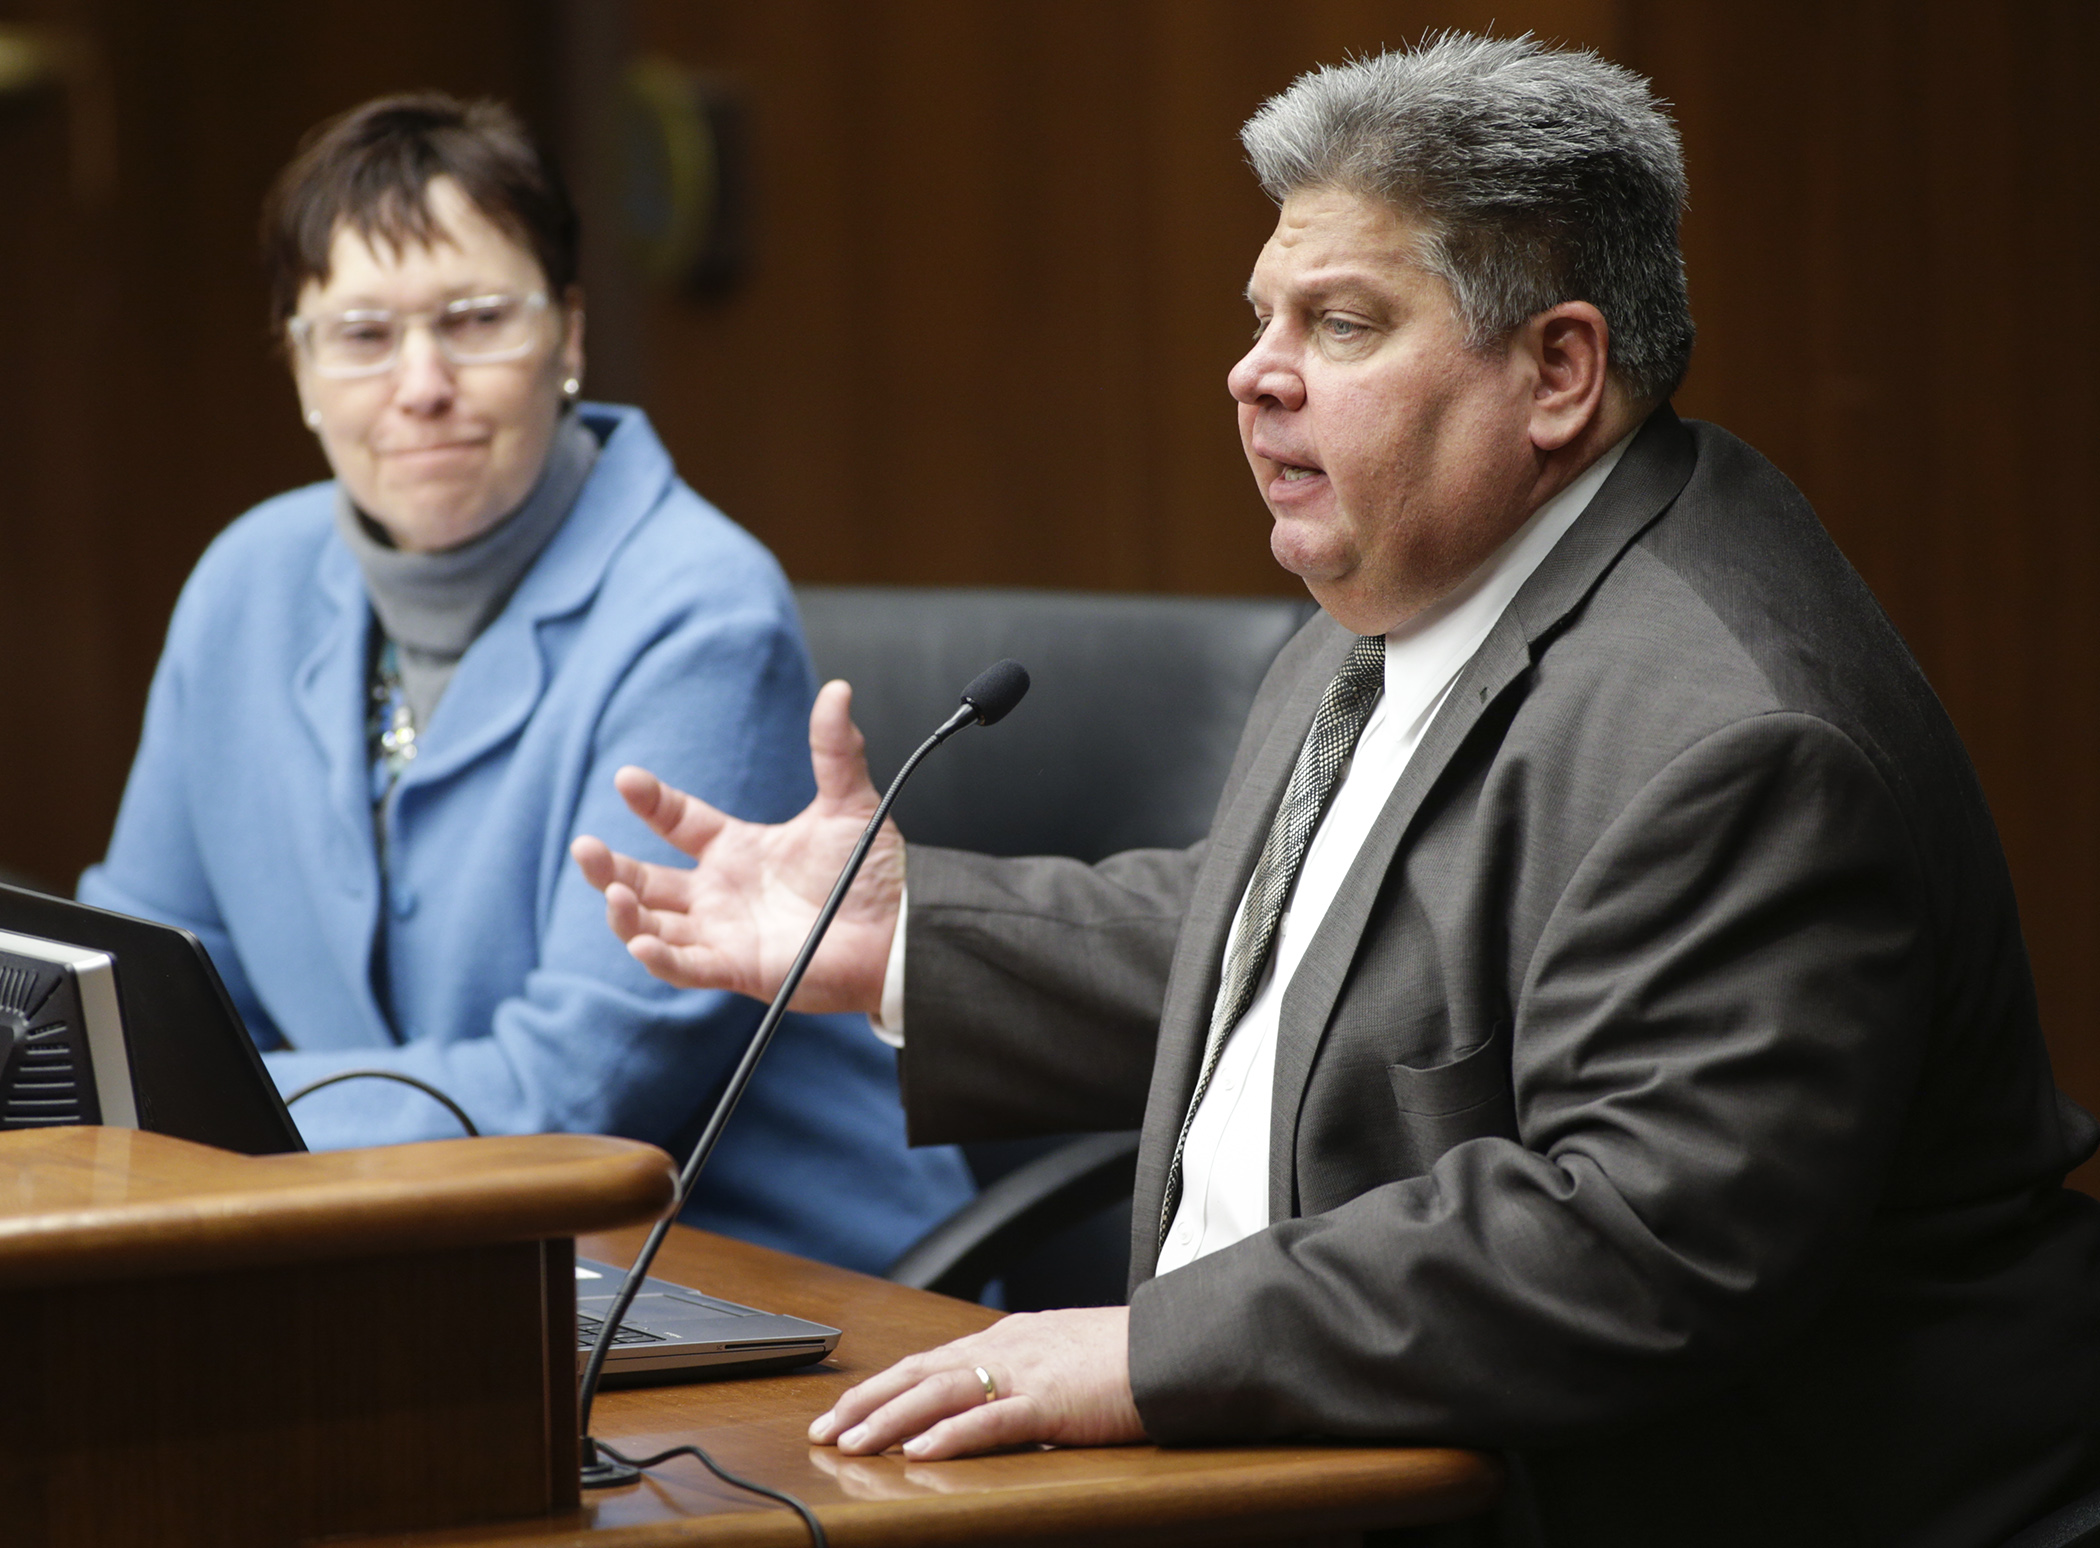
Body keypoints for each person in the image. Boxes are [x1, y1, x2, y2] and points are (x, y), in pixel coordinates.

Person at [572, 36, 2100, 1547]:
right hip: (1323, 1477)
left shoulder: (1737, 743)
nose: (1256, 374)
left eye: (1343, 324)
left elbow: (1635, 1236)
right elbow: (1320, 942)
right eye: (1260, 318)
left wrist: (1141, 1352)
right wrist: (900, 941)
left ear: (1558, 371)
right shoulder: (1406, 597)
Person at [79, 93, 972, 1275]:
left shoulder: (699, 611)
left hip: (777, 1302)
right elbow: (138, 1002)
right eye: (358, 335)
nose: (421, 383)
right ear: (298, 366)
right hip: (425, 1272)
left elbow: (575, 1096)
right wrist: (181, 1098)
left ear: (570, 336)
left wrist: (215, 1112)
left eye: (475, 319)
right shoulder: (247, 581)